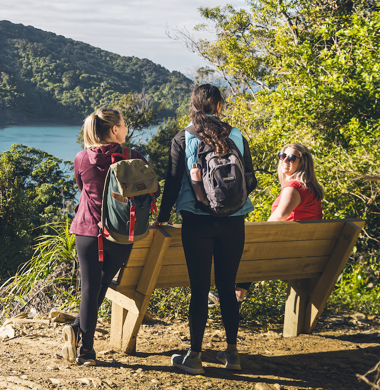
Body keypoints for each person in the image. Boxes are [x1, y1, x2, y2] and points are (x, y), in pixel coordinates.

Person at [154, 84, 257, 374]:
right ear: (219, 107)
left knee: (199, 290)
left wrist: (162, 217)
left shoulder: (182, 138)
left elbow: (173, 183)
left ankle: (195, 356)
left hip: (196, 221)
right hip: (234, 220)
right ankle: (233, 355)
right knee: (227, 286)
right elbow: (251, 181)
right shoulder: (236, 135)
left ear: (193, 107)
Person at [62, 108, 152, 365]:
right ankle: (79, 333)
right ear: (114, 130)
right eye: (124, 125)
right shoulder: (133, 157)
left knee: (91, 287)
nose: (125, 129)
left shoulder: (82, 158)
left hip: (88, 232)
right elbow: (148, 194)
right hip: (121, 235)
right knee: (101, 284)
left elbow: (82, 188)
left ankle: (85, 347)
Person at [215, 143, 324, 304]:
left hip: (287, 253)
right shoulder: (311, 188)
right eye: (282, 155)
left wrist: (260, 234)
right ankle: (234, 298)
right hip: (305, 253)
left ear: (303, 162)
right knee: (252, 250)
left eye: (291, 158)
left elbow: (280, 216)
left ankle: (224, 293)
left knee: (243, 246)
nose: (285, 160)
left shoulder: (294, 187)